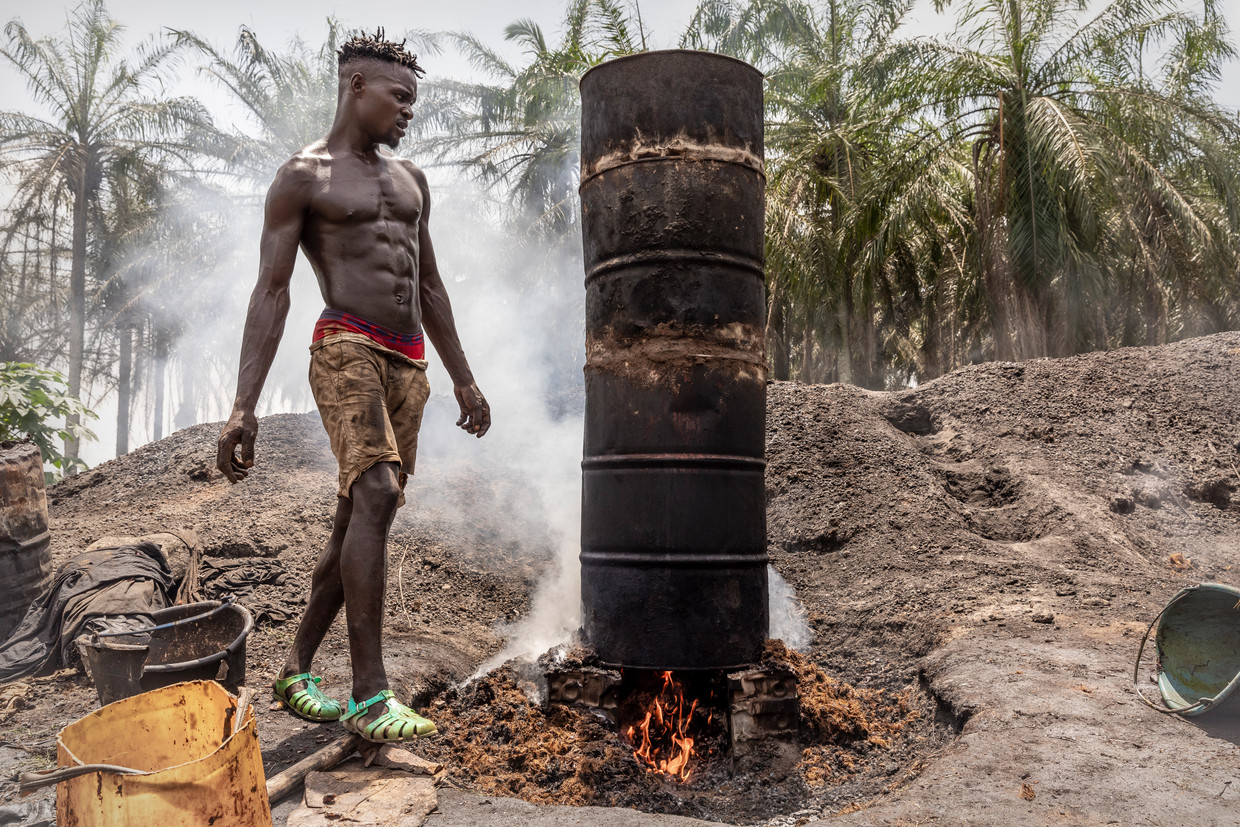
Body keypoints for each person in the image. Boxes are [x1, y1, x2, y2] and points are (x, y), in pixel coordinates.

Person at [216, 30, 490, 743]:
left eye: (414, 101)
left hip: (408, 362)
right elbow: (270, 293)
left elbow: (428, 284)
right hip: (345, 345)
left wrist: (463, 377)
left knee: (358, 519)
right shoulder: (302, 176)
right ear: (356, 87)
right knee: (377, 492)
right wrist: (242, 405)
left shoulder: (410, 181)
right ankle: (370, 695)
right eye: (400, 98)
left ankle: (295, 669)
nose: (409, 113)